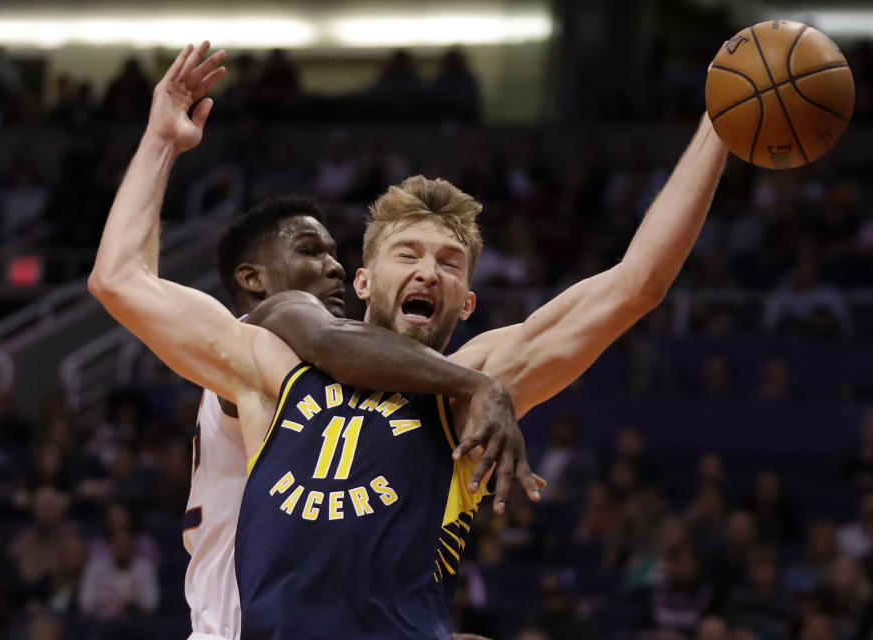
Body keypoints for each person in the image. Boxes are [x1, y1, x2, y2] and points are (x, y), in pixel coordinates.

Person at [90, 42, 727, 639]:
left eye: (450, 263)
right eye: (409, 255)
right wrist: (161, 139)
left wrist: (719, 123)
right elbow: (119, 280)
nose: (429, 271)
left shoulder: (472, 388)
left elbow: (637, 283)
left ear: (468, 302)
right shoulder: (270, 367)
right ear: (362, 281)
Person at [93, 42, 535, 640]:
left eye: (335, 253)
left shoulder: (312, 372)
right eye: (310, 252)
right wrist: (162, 141)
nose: (332, 268)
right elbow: (121, 278)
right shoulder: (261, 346)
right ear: (254, 280)